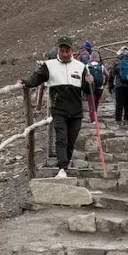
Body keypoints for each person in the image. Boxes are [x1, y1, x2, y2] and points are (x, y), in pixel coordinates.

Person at [19, 35, 93, 178]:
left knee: (71, 141)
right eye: (62, 51)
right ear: (58, 50)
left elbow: (88, 88)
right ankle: (62, 168)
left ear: (71, 50)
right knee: (61, 138)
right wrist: (25, 82)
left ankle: (65, 164)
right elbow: (36, 78)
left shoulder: (81, 67)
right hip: (59, 109)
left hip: (76, 110)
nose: (65, 54)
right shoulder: (49, 65)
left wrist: (90, 82)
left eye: (67, 51)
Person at [109, 46, 128, 125]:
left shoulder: (117, 62)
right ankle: (126, 119)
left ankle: (118, 120)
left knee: (119, 103)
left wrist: (110, 86)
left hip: (120, 85)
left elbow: (112, 74)